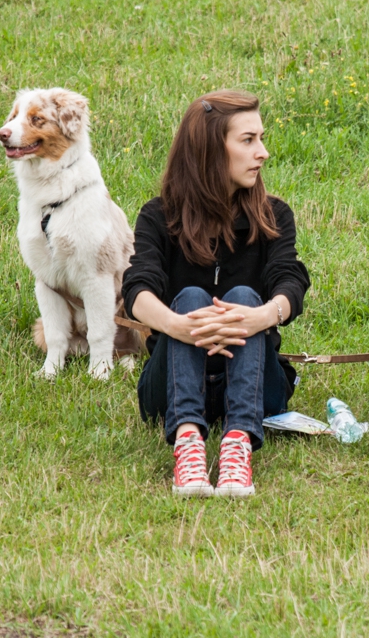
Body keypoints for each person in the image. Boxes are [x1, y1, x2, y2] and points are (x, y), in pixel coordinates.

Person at [122, 90, 310, 498]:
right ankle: (188, 442)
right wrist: (179, 326)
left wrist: (261, 316)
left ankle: (238, 442)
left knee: (244, 295)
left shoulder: (274, 215)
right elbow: (137, 288)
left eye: (260, 138)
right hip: (171, 383)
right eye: (248, 140)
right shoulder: (157, 216)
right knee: (189, 298)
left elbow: (290, 280)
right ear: (210, 148)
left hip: (258, 384)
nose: (262, 152)